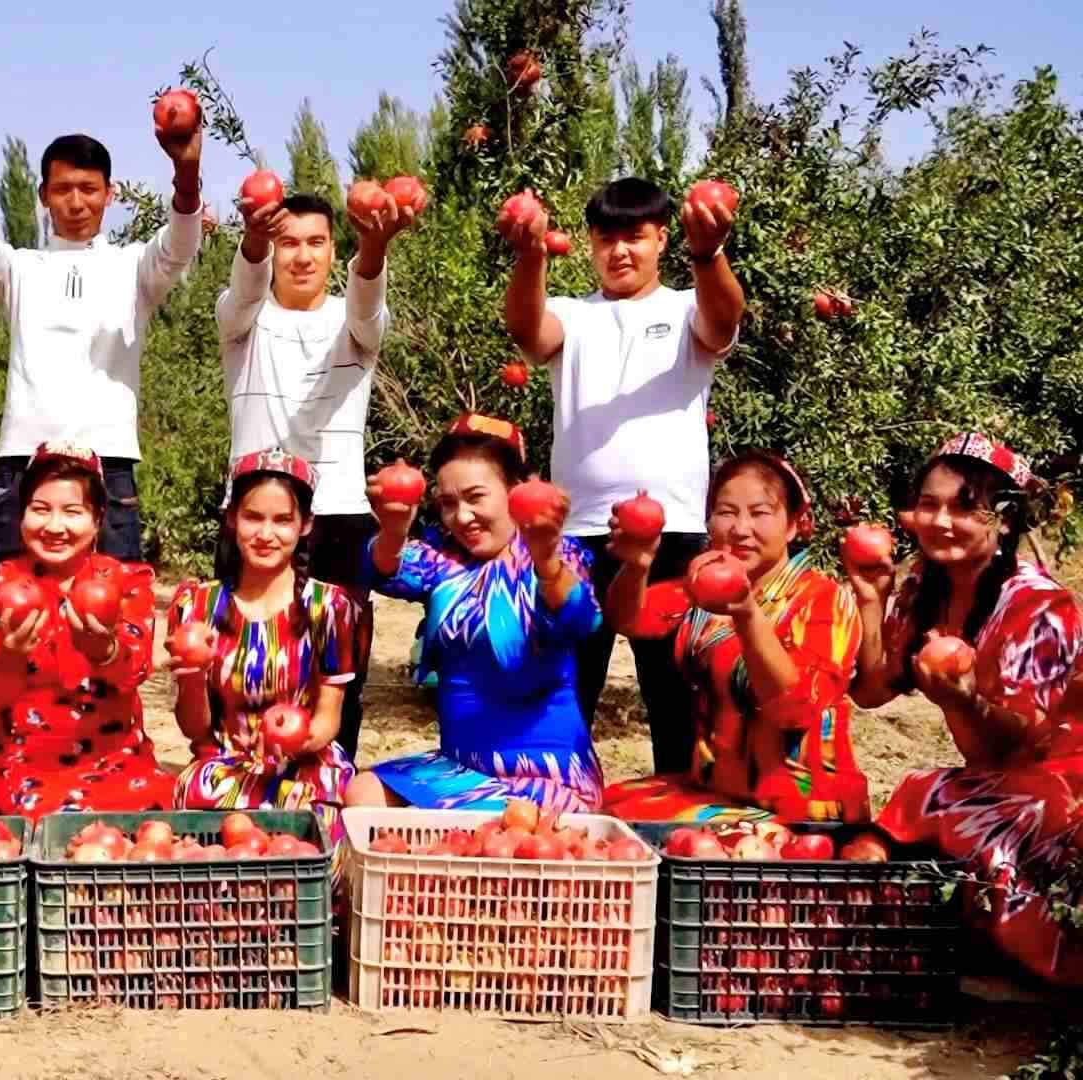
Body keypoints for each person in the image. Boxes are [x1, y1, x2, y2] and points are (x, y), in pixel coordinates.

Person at [0, 69, 204, 566]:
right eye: (63, 188)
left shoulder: (135, 268)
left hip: (108, 462)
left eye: (88, 188)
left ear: (110, 193)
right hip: (23, 460)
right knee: (8, 605)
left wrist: (187, 167)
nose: (76, 202)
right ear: (43, 194)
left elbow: (181, 241)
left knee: (112, 603)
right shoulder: (17, 269)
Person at [501, 176, 744, 772]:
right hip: (577, 534)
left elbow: (724, 320)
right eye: (606, 239)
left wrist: (709, 253)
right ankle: (559, 801)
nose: (620, 251)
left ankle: (675, 811)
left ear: (662, 239)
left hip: (670, 531)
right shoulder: (572, 315)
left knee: (673, 694)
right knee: (566, 688)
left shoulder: (686, 308)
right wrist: (530, 256)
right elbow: (527, 331)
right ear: (590, 244)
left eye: (634, 237)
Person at [850, 434, 1083, 985]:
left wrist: (962, 701)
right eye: (928, 504)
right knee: (931, 792)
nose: (941, 521)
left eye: (963, 507)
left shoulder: (1040, 606)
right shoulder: (924, 588)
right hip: (1000, 777)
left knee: (949, 801)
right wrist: (870, 597)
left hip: (1064, 783)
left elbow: (1021, 740)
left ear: (1004, 519)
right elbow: (871, 691)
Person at [218, 190, 409, 758]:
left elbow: (368, 305)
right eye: (288, 243)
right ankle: (241, 771)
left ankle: (332, 773)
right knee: (241, 654)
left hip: (340, 515)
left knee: (339, 667)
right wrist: (254, 237)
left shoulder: (355, 324)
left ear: (333, 251)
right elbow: (244, 288)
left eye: (316, 243)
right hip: (255, 515)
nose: (302, 256)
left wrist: (374, 248)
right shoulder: (243, 320)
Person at [345, 416, 604, 813]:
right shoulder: (444, 559)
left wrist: (546, 560)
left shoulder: (558, 553)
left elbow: (581, 619)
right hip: (463, 769)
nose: (462, 517)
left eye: (475, 497)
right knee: (364, 793)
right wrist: (393, 529)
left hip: (547, 778)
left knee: (471, 826)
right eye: (449, 504)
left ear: (515, 491)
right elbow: (382, 569)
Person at [600, 452, 869, 824]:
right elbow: (628, 620)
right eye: (726, 512)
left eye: (760, 513)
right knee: (609, 808)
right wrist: (637, 564)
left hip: (802, 804)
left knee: (656, 832)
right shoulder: (701, 588)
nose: (741, 529)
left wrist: (747, 614)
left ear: (793, 525)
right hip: (719, 790)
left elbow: (795, 708)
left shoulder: (823, 599)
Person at [0, 443, 173, 817]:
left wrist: (105, 651)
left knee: (154, 803)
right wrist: (10, 656)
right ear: (22, 514)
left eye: (72, 512)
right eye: (40, 509)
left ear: (97, 518)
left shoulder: (127, 583)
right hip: (20, 764)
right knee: (40, 814)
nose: (55, 527)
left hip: (117, 762)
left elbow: (136, 669)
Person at [170, 449, 358, 843]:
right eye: (253, 517)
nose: (266, 534)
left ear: (305, 524)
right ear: (232, 518)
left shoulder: (328, 607)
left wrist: (295, 741)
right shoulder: (197, 606)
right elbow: (195, 729)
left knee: (313, 824)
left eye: (282, 520)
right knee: (196, 805)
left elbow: (328, 718)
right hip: (225, 766)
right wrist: (191, 678)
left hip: (305, 764)